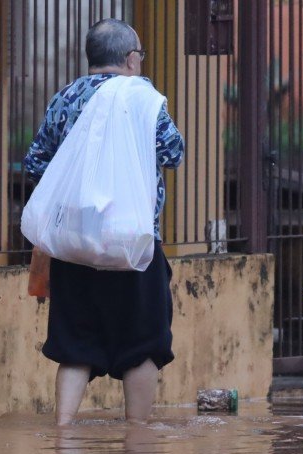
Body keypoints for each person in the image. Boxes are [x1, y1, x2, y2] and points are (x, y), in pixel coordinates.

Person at [23, 18, 185, 426]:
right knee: (144, 342)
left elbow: (36, 162)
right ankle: (138, 437)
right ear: (131, 59)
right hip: (132, 243)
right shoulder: (142, 99)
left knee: (74, 341)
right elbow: (173, 153)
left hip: (73, 243)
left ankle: (63, 432)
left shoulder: (65, 98)